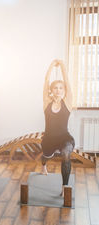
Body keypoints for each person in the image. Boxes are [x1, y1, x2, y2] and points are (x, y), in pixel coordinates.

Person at [41, 59, 74, 196]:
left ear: (64, 90)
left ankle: (64, 186)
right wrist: (50, 67)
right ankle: (43, 165)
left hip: (65, 138)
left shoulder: (67, 102)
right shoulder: (46, 102)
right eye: (55, 88)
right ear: (51, 90)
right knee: (46, 156)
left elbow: (67, 83)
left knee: (66, 154)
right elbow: (46, 82)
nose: (58, 90)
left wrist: (62, 67)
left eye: (61, 88)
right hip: (48, 139)